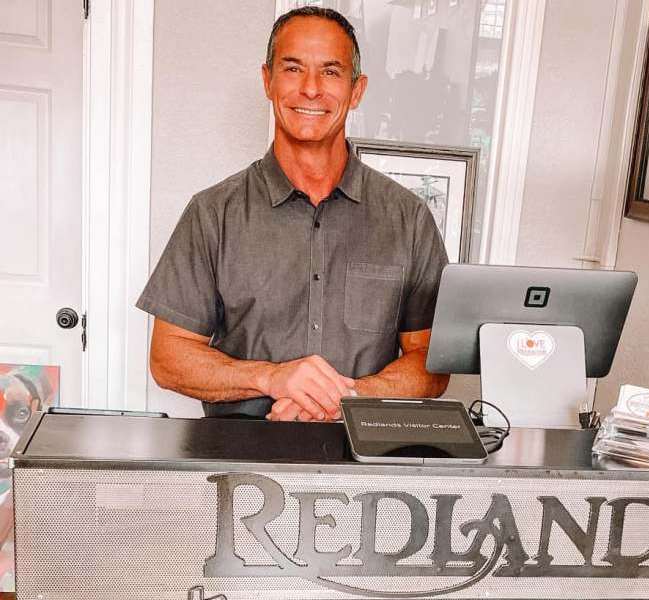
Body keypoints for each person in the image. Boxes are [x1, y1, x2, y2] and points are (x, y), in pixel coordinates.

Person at [137, 7, 450, 422]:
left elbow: (431, 360)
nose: (311, 89)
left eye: (331, 72)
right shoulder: (212, 213)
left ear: (357, 90)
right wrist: (271, 378)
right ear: (267, 81)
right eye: (293, 68)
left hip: (364, 468)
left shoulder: (408, 219)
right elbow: (168, 358)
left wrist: (347, 399)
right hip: (237, 467)